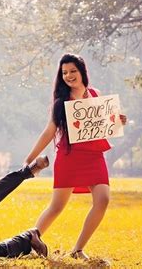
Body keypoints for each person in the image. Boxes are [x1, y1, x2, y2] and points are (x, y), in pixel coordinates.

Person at [23, 54, 127, 260]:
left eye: (73, 71)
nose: (69, 76)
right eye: (64, 73)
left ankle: (78, 249)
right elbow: (48, 132)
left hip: (95, 156)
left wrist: (119, 121)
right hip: (69, 158)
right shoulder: (61, 103)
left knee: (103, 199)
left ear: (82, 72)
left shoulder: (96, 94)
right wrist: (29, 160)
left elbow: (104, 125)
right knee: (56, 207)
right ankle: (28, 240)